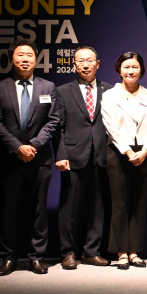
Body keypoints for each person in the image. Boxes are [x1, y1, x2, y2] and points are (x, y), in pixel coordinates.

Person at [0, 38, 58, 276]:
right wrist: (17, 147)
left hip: (39, 159)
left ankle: (37, 257)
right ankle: (9, 257)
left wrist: (33, 146)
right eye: (20, 55)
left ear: (36, 59)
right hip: (9, 159)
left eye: (29, 55)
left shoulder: (48, 87)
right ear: (11, 59)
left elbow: (54, 121)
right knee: (9, 209)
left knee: (39, 211)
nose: (25, 59)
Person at [49, 46, 112, 270]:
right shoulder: (63, 91)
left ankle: (91, 251)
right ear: (73, 65)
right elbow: (59, 127)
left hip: (102, 156)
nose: (85, 64)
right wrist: (61, 154)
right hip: (73, 156)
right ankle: (68, 253)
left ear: (98, 63)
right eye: (80, 61)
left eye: (89, 60)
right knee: (70, 207)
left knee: (98, 207)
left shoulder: (111, 90)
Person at [102, 52, 147, 270]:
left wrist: (145, 150)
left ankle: (134, 251)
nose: (130, 71)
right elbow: (111, 127)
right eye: (126, 67)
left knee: (139, 203)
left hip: (144, 152)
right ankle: (121, 252)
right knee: (119, 204)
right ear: (119, 70)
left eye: (134, 67)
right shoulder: (109, 95)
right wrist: (127, 151)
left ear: (141, 70)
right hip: (118, 152)